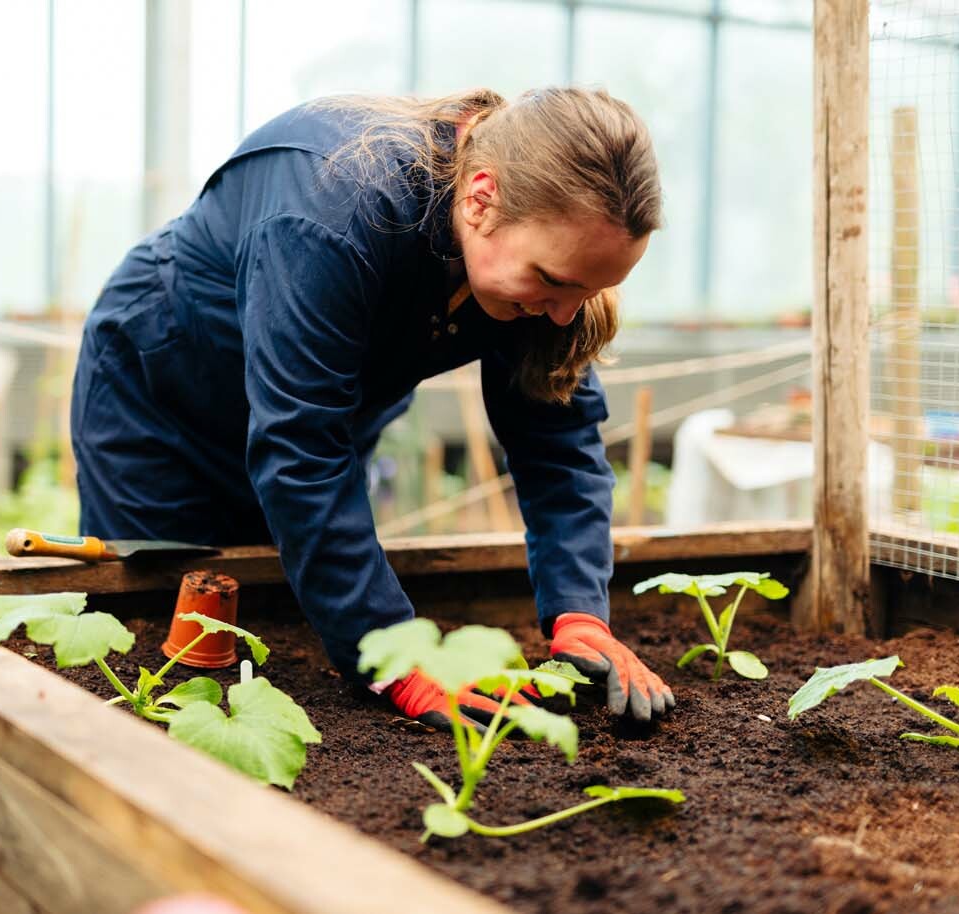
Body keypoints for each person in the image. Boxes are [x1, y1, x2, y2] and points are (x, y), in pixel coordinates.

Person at [71, 86, 675, 729]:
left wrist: (579, 611)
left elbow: (560, 444)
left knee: (278, 617)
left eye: (592, 290)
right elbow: (301, 448)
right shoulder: (333, 208)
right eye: (553, 282)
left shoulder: (534, 264)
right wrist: (396, 656)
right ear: (479, 199)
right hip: (163, 400)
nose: (565, 313)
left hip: (313, 419)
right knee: (165, 636)